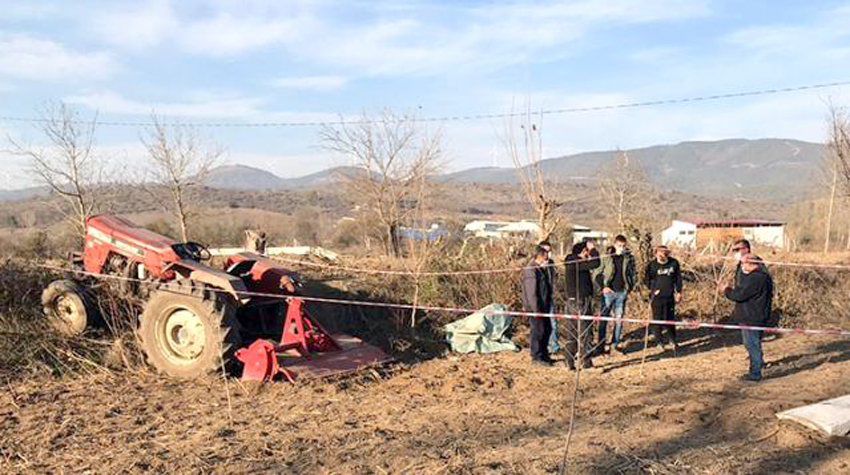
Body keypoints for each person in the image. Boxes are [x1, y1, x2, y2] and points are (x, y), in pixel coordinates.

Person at [721, 253, 773, 382]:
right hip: (754, 315)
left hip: (752, 317)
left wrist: (726, 290)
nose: (742, 266)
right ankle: (756, 368)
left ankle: (755, 374)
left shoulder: (755, 278)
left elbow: (740, 295)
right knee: (751, 344)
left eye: (744, 263)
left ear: (751, 264)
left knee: (752, 345)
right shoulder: (761, 276)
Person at [563, 241, 600, 369]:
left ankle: (569, 359)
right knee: (585, 331)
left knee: (573, 331)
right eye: (586, 252)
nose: (587, 255)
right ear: (582, 251)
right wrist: (593, 249)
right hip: (580, 301)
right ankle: (585, 361)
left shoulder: (572, 261)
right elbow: (596, 263)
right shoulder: (576, 262)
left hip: (573, 301)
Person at [598, 234, 636, 353]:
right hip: (608, 293)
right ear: (615, 244)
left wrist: (630, 287)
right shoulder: (607, 257)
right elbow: (597, 273)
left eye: (624, 246)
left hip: (622, 292)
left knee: (619, 320)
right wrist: (603, 287)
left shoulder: (628, 258)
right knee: (604, 318)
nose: (622, 248)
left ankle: (615, 343)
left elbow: (632, 273)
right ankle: (601, 344)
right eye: (619, 245)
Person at [644, 245, 682, 351]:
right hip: (656, 297)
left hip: (669, 296)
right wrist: (652, 289)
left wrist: (678, 292)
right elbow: (646, 280)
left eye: (665, 253)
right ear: (656, 253)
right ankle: (659, 342)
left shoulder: (674, 263)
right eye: (660, 253)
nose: (663, 255)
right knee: (657, 319)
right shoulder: (652, 265)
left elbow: (678, 278)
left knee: (670, 319)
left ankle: (673, 340)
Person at [522, 245, 554, 366]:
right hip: (536, 308)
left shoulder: (542, 269)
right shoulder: (531, 270)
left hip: (544, 305)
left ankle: (544, 354)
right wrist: (536, 310)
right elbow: (531, 292)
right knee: (538, 331)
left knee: (547, 329)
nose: (546, 260)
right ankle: (536, 356)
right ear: (539, 257)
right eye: (544, 258)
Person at [538, 240, 559, 354]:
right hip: (539, 298)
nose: (548, 254)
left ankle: (554, 346)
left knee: (553, 323)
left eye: (550, 251)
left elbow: (553, 278)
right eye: (546, 251)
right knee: (540, 324)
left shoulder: (551, 263)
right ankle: (542, 347)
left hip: (549, 297)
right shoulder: (535, 265)